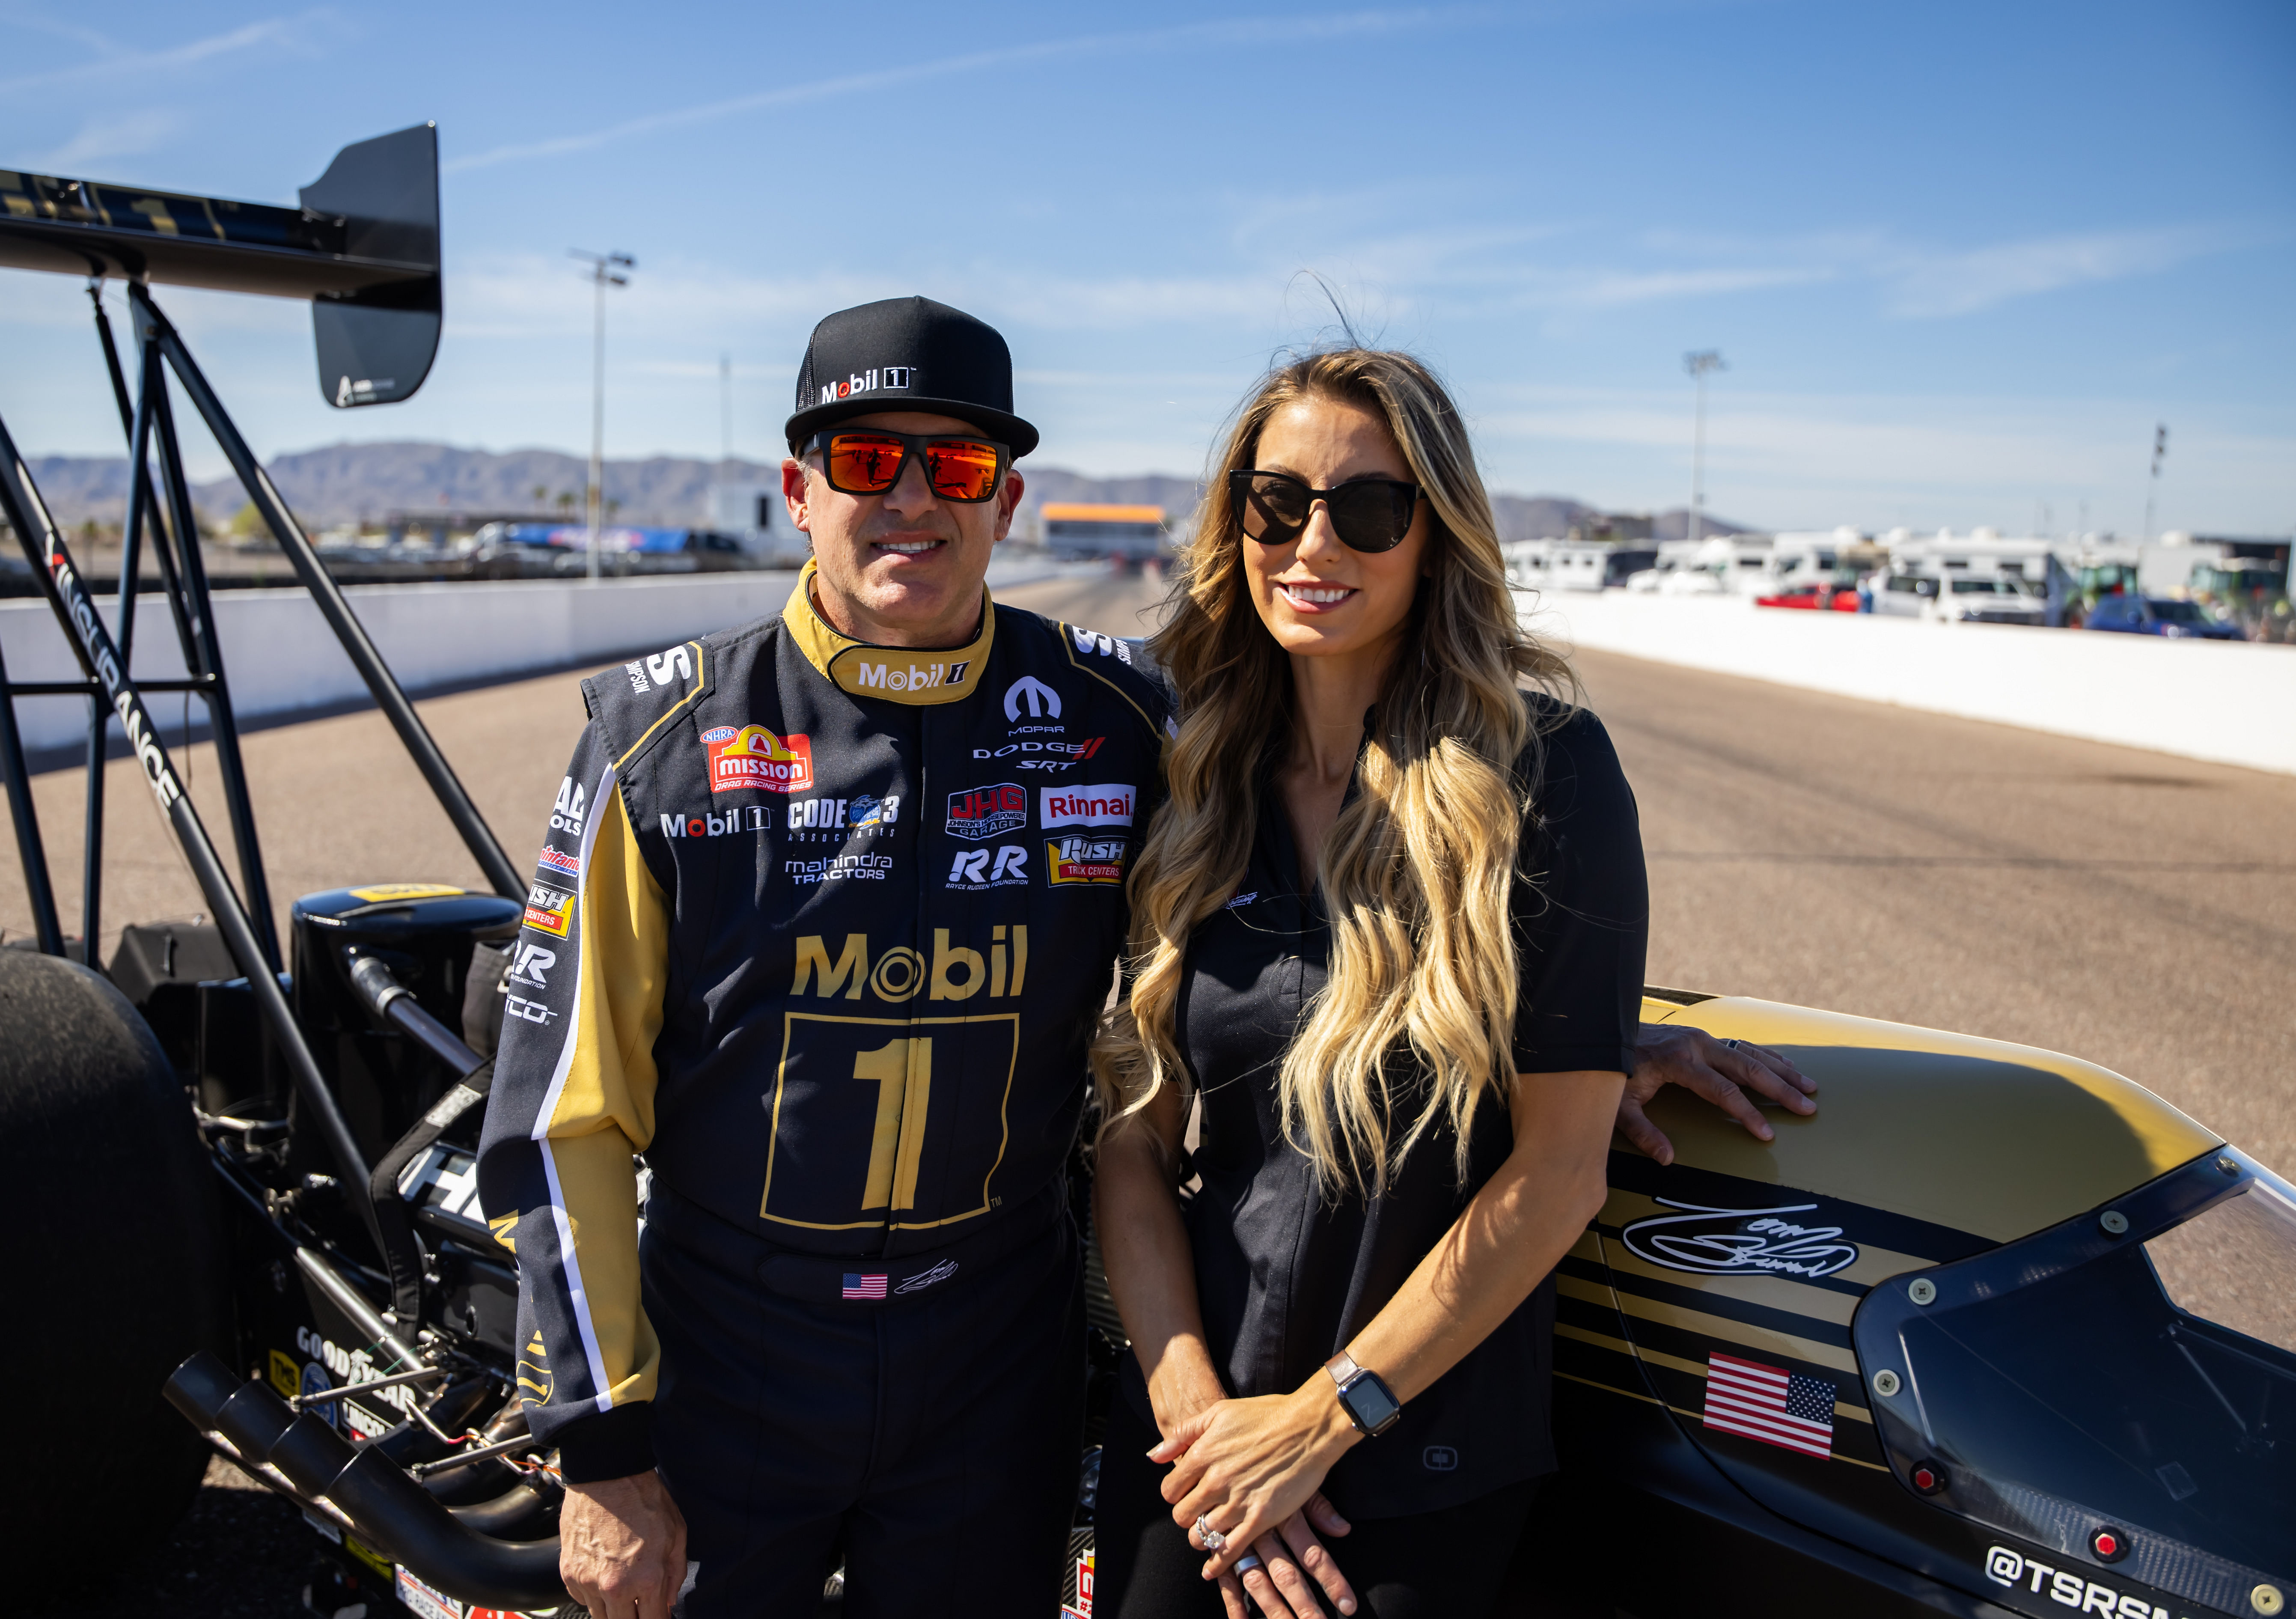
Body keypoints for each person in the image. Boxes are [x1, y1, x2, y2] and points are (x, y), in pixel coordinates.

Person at [479, 300, 1814, 1619]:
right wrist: (599, 1449)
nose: (908, 501)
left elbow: (1374, 887)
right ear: (797, 488)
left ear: (1005, 502)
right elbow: (559, 1118)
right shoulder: (657, 746)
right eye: (862, 462)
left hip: (992, 1359)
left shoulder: (1129, 719)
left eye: (953, 467)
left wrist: (1591, 1037)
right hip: (735, 1352)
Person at [1089, 347, 1735, 1618]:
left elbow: (1555, 1171)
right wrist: (1202, 1422)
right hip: (1195, 1441)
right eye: (1276, 504)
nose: (1313, 543)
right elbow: (1131, 1141)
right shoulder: (1195, 776)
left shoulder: (1542, 775)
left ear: (1434, 537)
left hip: (1407, 1457)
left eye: (1368, 509)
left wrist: (1323, 1422)